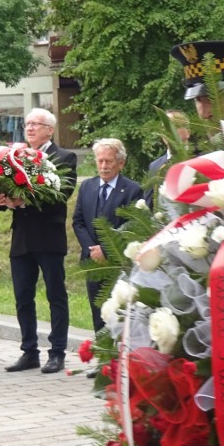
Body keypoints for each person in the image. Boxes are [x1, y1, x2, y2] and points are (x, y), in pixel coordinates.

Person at [0, 108, 78, 374]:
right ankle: (29, 351)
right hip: (22, 238)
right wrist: (3, 198)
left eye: (36, 124)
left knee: (55, 295)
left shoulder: (65, 157)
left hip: (48, 237)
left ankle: (57, 352)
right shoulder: (13, 156)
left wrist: (25, 198)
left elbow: (60, 194)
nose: (30, 128)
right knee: (23, 297)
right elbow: (5, 187)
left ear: (50, 130)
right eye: (27, 124)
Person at [72, 138, 142, 335]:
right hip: (93, 262)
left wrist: (107, 249)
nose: (103, 166)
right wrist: (91, 249)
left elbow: (133, 226)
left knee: (120, 315)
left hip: (119, 264)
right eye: (100, 160)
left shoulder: (132, 190)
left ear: (121, 163)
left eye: (108, 161)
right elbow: (78, 221)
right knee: (98, 314)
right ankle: (102, 360)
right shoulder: (87, 186)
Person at [145, 110, 190, 208]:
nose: (168, 130)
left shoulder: (202, 159)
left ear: (188, 132)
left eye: (174, 126)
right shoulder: (154, 166)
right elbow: (150, 206)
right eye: (164, 127)